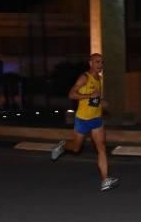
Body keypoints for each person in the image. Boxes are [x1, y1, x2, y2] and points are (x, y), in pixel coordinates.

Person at [50, 53, 119, 191]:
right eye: (97, 62)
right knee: (76, 148)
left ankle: (105, 180)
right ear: (90, 63)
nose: (100, 64)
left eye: (101, 62)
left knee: (102, 149)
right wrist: (88, 95)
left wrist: (101, 102)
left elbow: (95, 100)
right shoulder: (84, 78)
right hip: (82, 119)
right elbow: (71, 94)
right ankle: (64, 145)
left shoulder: (98, 78)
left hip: (96, 119)